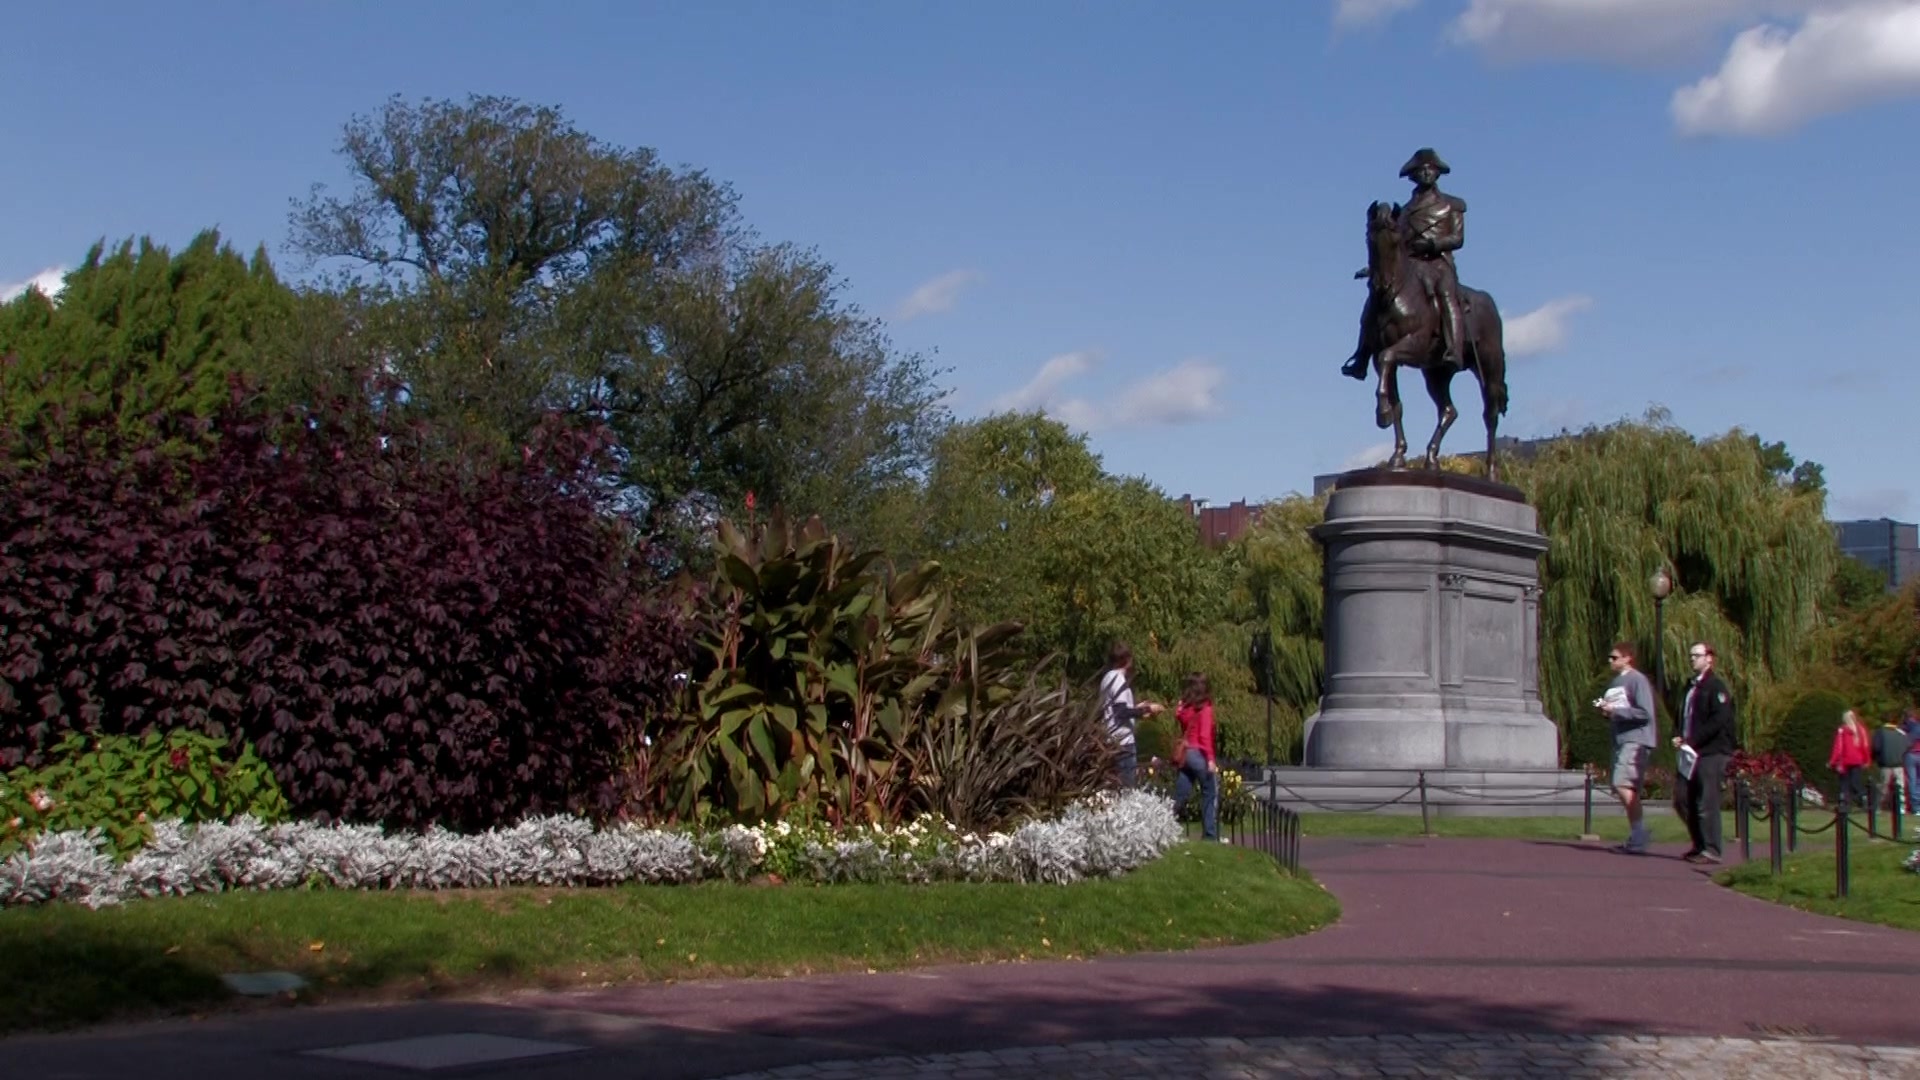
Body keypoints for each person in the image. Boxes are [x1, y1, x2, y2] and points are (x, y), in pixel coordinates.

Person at [1343, 147, 1468, 380]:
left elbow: (1457, 239)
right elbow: (1394, 248)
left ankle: (1454, 348)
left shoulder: (1452, 204)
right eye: (1421, 170)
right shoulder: (1404, 211)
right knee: (1375, 298)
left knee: (1446, 291)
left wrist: (1432, 244)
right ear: (1413, 175)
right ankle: (1361, 356)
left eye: (1431, 169)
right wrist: (1375, 268)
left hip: (1438, 262)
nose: (1426, 173)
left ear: (1438, 172)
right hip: (1411, 264)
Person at [1672, 641, 1734, 864]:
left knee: (1707, 801)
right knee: (1682, 799)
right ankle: (1699, 844)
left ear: (1709, 658)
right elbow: (1683, 715)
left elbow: (1719, 720)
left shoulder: (1716, 687)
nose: (1692, 659)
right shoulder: (1689, 686)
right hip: (1688, 753)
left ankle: (1711, 849)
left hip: (1711, 752)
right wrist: (1677, 734)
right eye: (1691, 655)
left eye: (1697, 655)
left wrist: (1694, 740)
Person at [1598, 641, 1659, 854]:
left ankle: (1640, 834)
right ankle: (1637, 835)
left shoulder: (1637, 680)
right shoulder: (1615, 682)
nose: (1610, 661)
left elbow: (1645, 713)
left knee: (1622, 783)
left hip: (1636, 739)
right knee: (1624, 787)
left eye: (1614, 657)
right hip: (1620, 739)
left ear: (1627, 658)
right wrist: (1606, 711)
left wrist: (1616, 711)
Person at [1098, 642, 1162, 787]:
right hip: (1123, 742)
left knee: (1114, 785)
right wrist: (1148, 709)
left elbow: (1114, 708)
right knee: (1127, 787)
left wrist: (1136, 708)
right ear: (1127, 659)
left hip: (1110, 739)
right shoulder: (1119, 679)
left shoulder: (1107, 678)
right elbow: (1121, 712)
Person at [1172, 673, 1221, 842]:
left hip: (1185, 755)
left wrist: (1179, 710)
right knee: (1209, 792)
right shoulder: (1205, 709)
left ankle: (1165, 823)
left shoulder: (1186, 707)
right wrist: (1210, 759)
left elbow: (1180, 718)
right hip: (1198, 753)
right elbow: (1204, 736)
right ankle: (1210, 834)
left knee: (1181, 793)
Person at [1829, 708, 1872, 812]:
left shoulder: (1842, 730)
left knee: (1845, 784)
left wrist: (1833, 761)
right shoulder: (1860, 730)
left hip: (1845, 761)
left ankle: (1845, 804)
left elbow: (1838, 747)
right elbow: (1865, 746)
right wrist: (1867, 760)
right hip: (1857, 760)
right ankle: (1863, 799)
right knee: (1855, 782)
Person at [1871, 714, 1912, 816]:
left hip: (1885, 763)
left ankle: (1878, 807)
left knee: (1883, 786)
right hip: (1899, 763)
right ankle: (1901, 807)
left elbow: (1876, 747)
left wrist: (1876, 758)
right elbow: (1908, 745)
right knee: (1900, 786)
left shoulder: (1880, 732)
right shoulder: (1901, 732)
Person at [1901, 709, 1920, 814]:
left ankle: (1914, 806)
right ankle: (1917, 805)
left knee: (1911, 780)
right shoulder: (1918, 726)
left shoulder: (1902, 728)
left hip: (1909, 754)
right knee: (1918, 781)